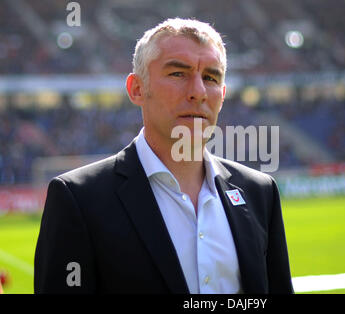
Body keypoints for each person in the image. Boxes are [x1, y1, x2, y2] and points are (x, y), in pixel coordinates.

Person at [34, 18, 293, 294]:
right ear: (137, 89)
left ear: (223, 94)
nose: (198, 92)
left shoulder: (259, 192)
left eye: (211, 77)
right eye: (178, 74)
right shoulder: (79, 199)